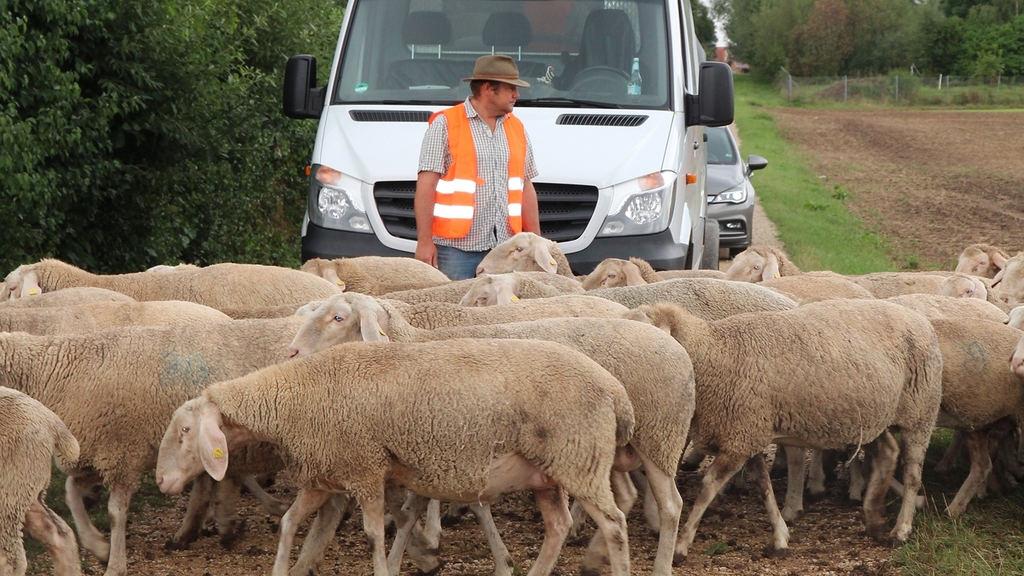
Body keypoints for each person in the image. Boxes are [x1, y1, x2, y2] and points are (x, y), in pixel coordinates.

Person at [414, 54, 542, 280]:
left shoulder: (517, 128)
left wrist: (536, 242)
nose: (517, 95)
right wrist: (424, 242)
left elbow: (526, 188)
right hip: (455, 250)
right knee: (456, 312)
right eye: (510, 88)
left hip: (506, 250)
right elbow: (426, 186)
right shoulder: (446, 124)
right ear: (487, 89)